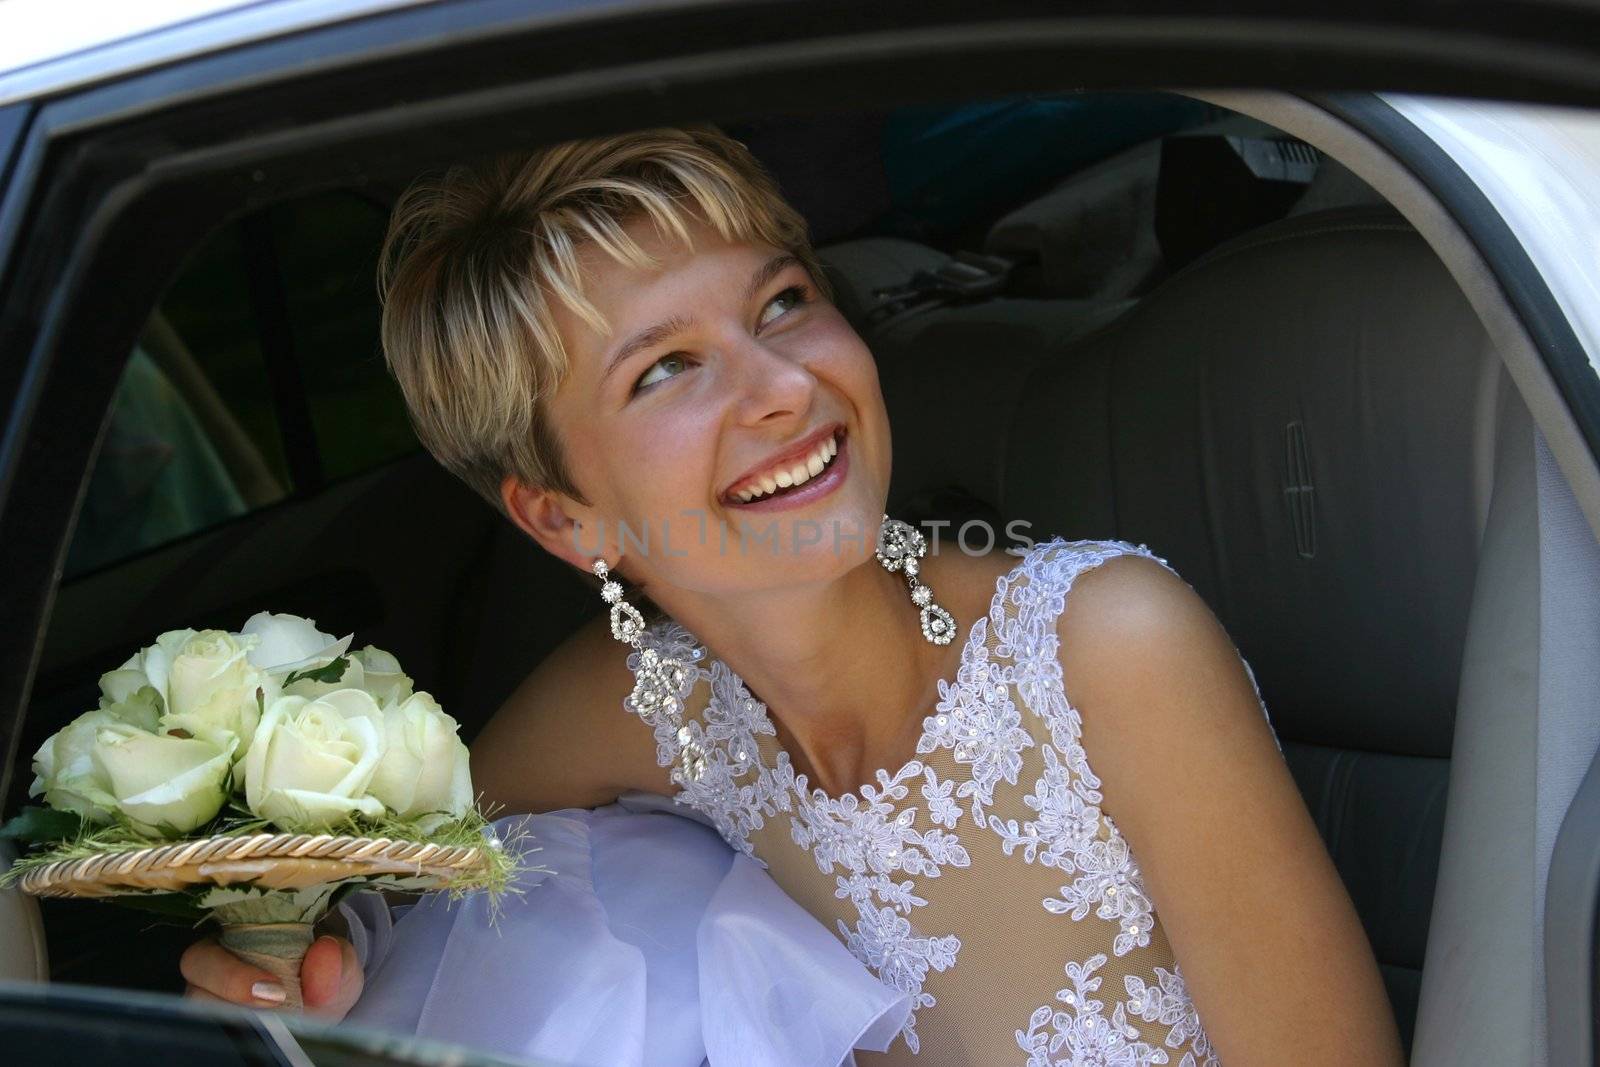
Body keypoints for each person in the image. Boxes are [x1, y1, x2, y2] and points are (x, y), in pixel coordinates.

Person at [182, 125, 1404, 1065]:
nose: (780, 385)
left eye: (783, 304)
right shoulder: (644, 699)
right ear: (563, 517)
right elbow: (389, 877)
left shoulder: (1106, 646)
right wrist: (287, 952)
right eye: (667, 369)